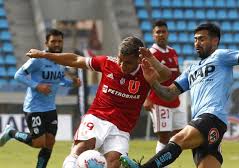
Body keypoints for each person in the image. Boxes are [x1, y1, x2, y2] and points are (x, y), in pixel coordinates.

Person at [119, 23, 239, 168]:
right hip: (202, 122)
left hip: (212, 117)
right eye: (195, 39)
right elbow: (168, 94)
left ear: (215, 41)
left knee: (177, 140)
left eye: (202, 39)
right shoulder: (190, 70)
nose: (197, 43)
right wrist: (153, 83)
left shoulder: (221, 56)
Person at [25, 36, 172, 168]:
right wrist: (44, 55)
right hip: (98, 117)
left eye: (127, 63)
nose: (121, 65)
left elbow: (167, 75)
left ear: (139, 60)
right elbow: (76, 60)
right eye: (120, 59)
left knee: (114, 162)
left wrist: (151, 59)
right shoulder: (108, 62)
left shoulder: (147, 71)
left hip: (122, 128)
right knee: (81, 148)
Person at [0, 29, 81, 168]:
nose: (56, 44)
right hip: (34, 107)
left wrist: (72, 83)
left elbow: (60, 80)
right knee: (38, 143)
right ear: (46, 43)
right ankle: (11, 132)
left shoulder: (61, 61)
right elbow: (18, 75)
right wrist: (37, 86)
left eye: (59, 41)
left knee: (50, 143)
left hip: (50, 108)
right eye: (53, 41)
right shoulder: (38, 60)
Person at [143, 20, 187, 161]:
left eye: (163, 31)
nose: (161, 34)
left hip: (174, 99)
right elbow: (144, 78)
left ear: (168, 33)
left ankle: (164, 161)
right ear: (153, 35)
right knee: (164, 135)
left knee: (181, 133)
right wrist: (146, 98)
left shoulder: (173, 52)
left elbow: (177, 74)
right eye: (158, 32)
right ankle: (156, 164)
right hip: (158, 100)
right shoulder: (150, 53)